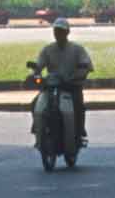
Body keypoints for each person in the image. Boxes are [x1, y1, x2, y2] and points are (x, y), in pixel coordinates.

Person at [31, 20, 96, 150]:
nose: (58, 34)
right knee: (34, 103)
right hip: (52, 86)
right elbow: (38, 65)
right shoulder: (48, 49)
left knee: (78, 106)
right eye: (56, 31)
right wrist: (36, 74)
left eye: (61, 31)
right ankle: (38, 129)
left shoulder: (77, 49)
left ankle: (79, 131)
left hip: (70, 86)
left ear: (67, 32)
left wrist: (79, 74)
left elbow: (86, 66)